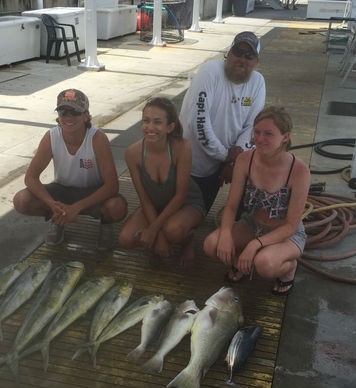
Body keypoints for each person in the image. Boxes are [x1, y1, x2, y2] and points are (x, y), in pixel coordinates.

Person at [203, 106, 310, 296]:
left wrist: (255, 244)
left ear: (285, 137)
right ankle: (242, 260)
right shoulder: (245, 160)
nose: (259, 139)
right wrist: (226, 234)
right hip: (252, 224)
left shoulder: (299, 170)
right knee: (211, 244)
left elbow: (291, 225)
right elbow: (231, 206)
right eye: (257, 132)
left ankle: (289, 268)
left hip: (285, 233)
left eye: (268, 134)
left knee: (265, 265)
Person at [13, 88, 128, 249]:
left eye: (75, 112)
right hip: (62, 190)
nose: (68, 117)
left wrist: (77, 208)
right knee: (21, 200)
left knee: (117, 207)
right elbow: (30, 178)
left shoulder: (97, 138)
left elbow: (112, 186)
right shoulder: (51, 136)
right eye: (63, 112)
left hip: (92, 191)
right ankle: (57, 219)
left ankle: (105, 224)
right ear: (58, 116)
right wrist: (52, 204)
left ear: (86, 115)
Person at [179, 31, 266, 214]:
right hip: (195, 163)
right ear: (229, 53)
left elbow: (253, 125)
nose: (241, 59)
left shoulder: (258, 82)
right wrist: (225, 155)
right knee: (190, 218)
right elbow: (199, 122)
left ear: (256, 62)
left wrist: (235, 160)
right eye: (237, 52)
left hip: (229, 157)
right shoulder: (210, 72)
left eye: (249, 55)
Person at [118, 97, 206, 266]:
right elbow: (144, 198)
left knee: (172, 231)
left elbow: (180, 196)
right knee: (125, 239)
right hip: (154, 204)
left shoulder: (182, 147)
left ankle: (188, 240)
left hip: (186, 203)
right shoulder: (132, 153)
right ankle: (158, 239)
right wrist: (156, 235)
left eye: (157, 122)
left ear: (170, 127)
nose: (150, 127)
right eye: (146, 121)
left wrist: (153, 230)